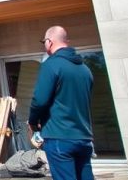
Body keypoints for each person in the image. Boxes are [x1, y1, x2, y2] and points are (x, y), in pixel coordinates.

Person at [27, 25, 95, 180]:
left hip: (59, 136)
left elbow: (40, 100)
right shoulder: (85, 70)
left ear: (49, 42)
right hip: (84, 138)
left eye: (44, 41)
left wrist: (32, 121)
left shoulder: (51, 65)